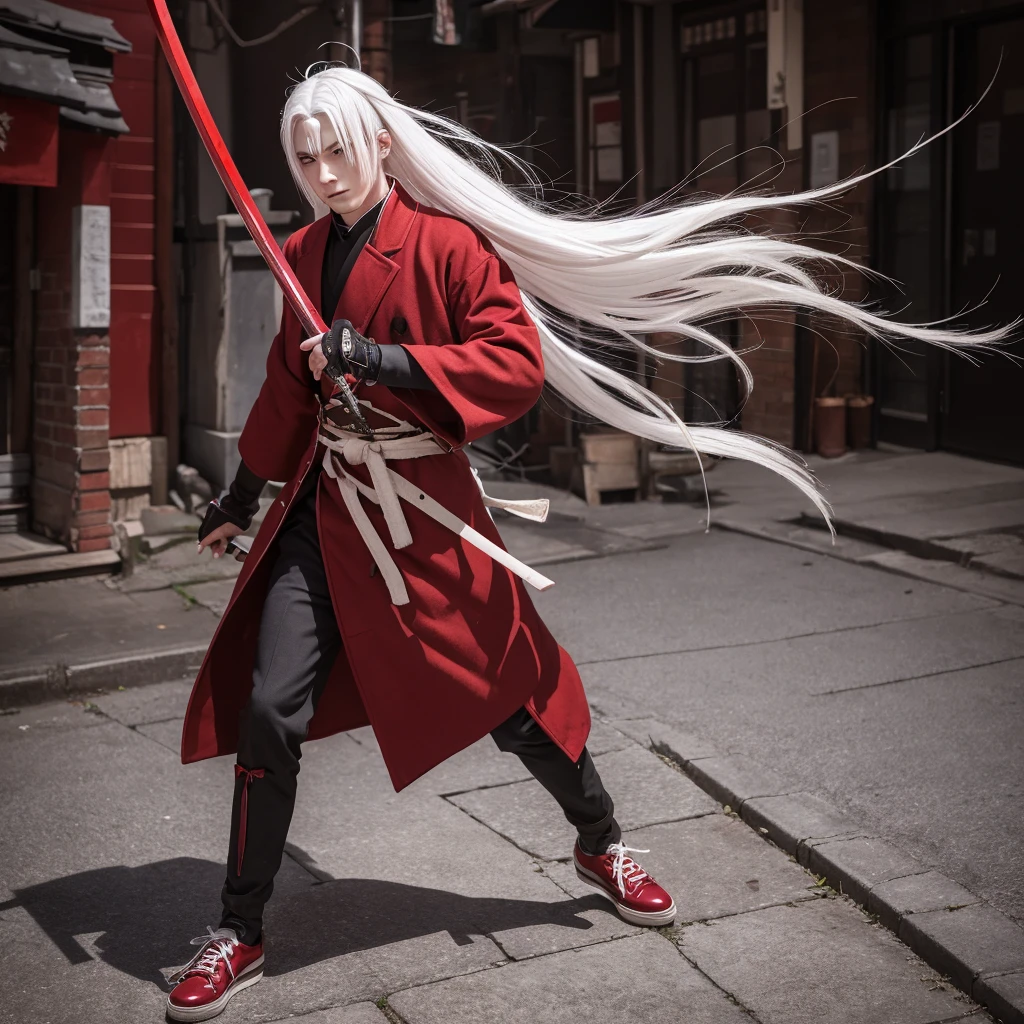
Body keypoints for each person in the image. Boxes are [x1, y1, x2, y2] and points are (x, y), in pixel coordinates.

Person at [165, 64, 1010, 1022]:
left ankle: (600, 840)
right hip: (325, 512)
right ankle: (240, 926)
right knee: (271, 709)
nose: (321, 174)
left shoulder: (446, 246)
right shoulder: (300, 252)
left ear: (382, 145)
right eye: (306, 158)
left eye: (335, 153)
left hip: (420, 514)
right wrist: (239, 494)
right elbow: (287, 387)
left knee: (514, 696)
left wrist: (381, 357)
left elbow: (512, 363)